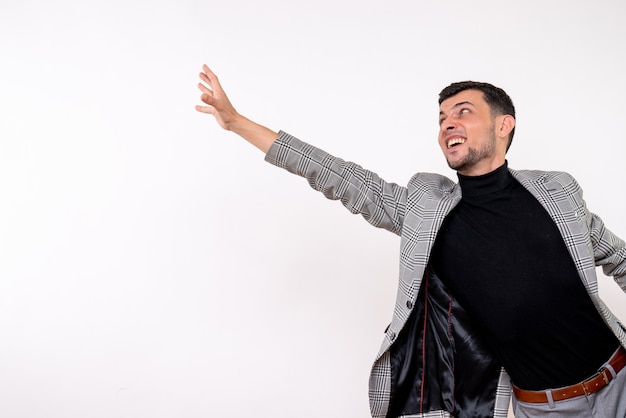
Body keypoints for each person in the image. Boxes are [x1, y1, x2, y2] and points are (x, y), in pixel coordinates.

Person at [195, 64, 626, 418]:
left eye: (462, 112)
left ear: (503, 125)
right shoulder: (427, 211)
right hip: (543, 408)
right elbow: (339, 177)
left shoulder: (557, 190)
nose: (447, 124)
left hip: (621, 379)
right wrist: (236, 123)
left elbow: (618, 258)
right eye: (441, 119)